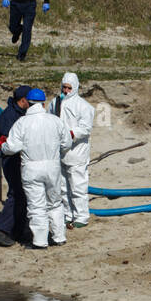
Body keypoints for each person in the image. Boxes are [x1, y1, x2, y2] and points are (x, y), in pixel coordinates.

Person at [0, 87, 67, 249]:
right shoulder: (55, 121)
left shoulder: (22, 123)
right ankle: (59, 237)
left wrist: (3, 147)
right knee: (55, 203)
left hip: (31, 169)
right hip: (53, 167)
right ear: (43, 104)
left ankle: (40, 241)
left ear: (28, 103)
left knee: (37, 206)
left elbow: (12, 147)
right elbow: (66, 143)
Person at [0, 86, 36, 247]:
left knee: (23, 195)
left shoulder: (18, 114)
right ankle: (2, 231)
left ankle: (18, 231)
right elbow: (9, 143)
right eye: (30, 101)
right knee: (17, 194)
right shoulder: (8, 117)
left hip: (19, 160)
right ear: (23, 100)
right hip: (12, 161)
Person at [50, 71, 95, 228]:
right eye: (64, 87)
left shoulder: (84, 106)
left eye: (69, 88)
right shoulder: (54, 104)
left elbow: (85, 128)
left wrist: (70, 133)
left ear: (75, 87)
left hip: (77, 153)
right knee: (62, 187)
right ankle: (68, 214)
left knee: (78, 186)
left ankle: (81, 216)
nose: (65, 91)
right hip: (59, 152)